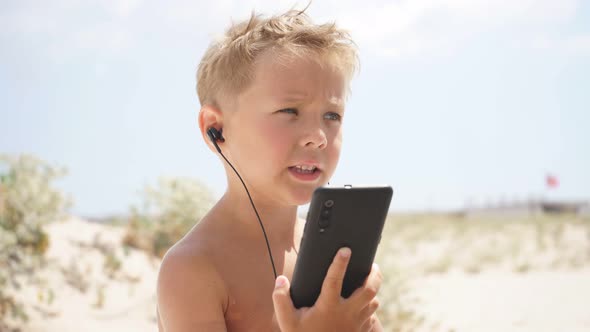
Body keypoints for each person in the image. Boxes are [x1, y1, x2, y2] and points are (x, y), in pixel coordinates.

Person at [156, 5, 383, 332]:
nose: (318, 137)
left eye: (331, 116)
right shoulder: (195, 269)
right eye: (290, 111)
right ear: (216, 128)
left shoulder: (332, 252)